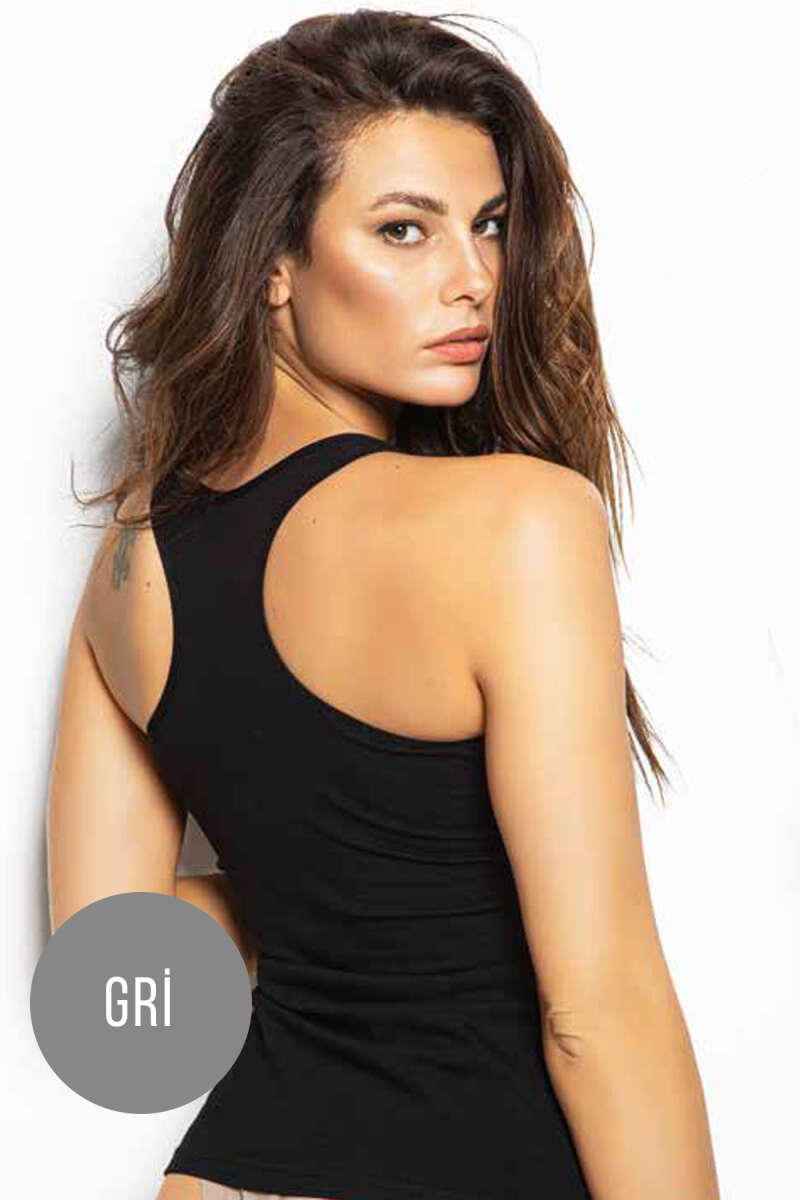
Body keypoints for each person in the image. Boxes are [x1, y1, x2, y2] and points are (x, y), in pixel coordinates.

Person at [46, 10, 721, 1200]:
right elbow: (597, 1014)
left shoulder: (132, 558)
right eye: (403, 230)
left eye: (488, 224)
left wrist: (321, 899)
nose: (474, 278)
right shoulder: (516, 522)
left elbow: (111, 975)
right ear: (271, 263)